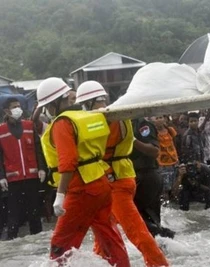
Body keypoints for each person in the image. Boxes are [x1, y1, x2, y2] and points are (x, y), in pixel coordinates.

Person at [36, 77, 130, 266]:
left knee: (60, 243)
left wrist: (60, 195)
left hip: (81, 189)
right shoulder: (84, 116)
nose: (46, 110)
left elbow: (68, 161)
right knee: (109, 236)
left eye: (47, 105)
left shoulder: (62, 123)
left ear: (54, 103)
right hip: (101, 184)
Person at [75, 81, 169, 267]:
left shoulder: (101, 120)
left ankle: (159, 263)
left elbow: (88, 147)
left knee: (135, 229)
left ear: (88, 103)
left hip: (116, 181)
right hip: (123, 177)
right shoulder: (121, 115)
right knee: (105, 228)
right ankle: (103, 260)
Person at [0, 97, 46, 240]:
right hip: (13, 179)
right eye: (14, 107)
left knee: (35, 214)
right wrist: (1, 176)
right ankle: (12, 243)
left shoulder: (29, 125)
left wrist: (41, 168)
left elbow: (38, 149)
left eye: (19, 106)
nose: (18, 109)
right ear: (7, 110)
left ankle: (39, 243)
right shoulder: (1, 130)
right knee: (13, 216)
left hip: (32, 176)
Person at [131, 117, 175, 239]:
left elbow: (154, 151)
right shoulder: (122, 124)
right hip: (136, 177)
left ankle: (165, 237)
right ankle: (164, 241)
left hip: (147, 177)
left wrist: (132, 140)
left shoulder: (142, 125)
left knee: (138, 218)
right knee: (146, 219)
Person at [151, 115, 179, 205]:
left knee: (175, 186)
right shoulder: (153, 133)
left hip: (174, 161)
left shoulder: (170, 130)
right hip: (162, 163)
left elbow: (174, 144)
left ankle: (175, 205)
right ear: (153, 121)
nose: (159, 119)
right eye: (157, 118)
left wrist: (177, 158)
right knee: (165, 189)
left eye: (161, 117)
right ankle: (166, 207)